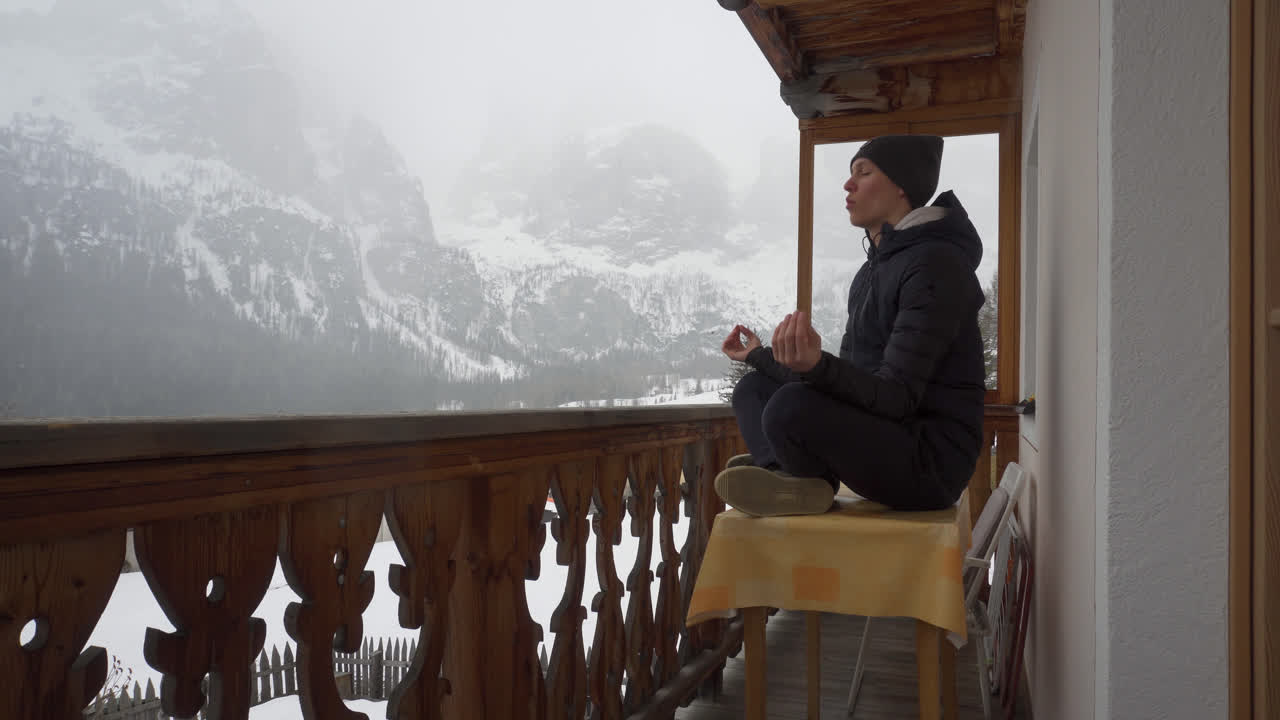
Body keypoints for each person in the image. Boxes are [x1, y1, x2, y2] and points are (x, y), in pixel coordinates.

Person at [716, 134, 986, 517]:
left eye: (863, 172)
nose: (847, 183)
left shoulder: (934, 266)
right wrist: (758, 355)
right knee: (754, 389)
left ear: (900, 185)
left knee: (791, 406)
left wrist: (817, 366)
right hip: (887, 435)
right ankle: (785, 477)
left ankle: (787, 472)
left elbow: (896, 395)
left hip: (929, 462)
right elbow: (854, 383)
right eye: (850, 173)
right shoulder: (871, 272)